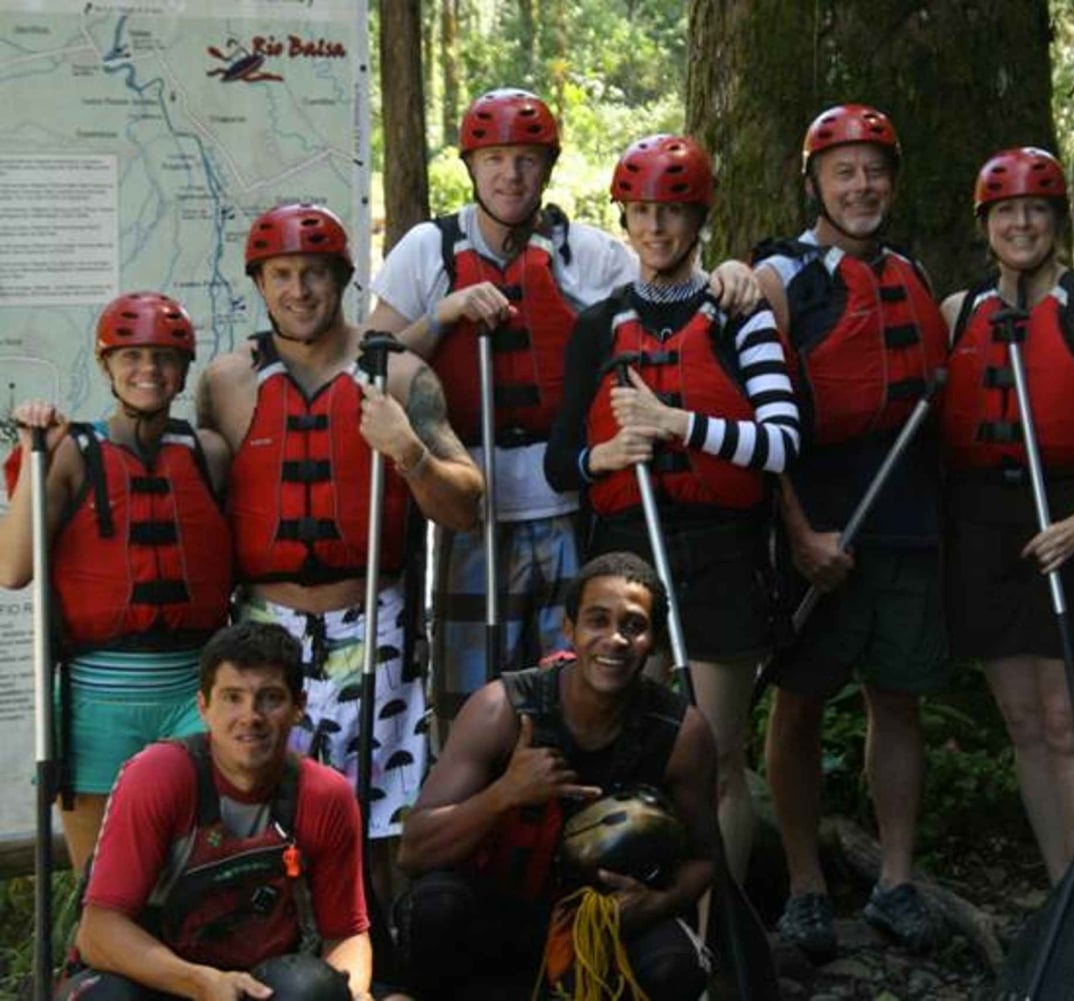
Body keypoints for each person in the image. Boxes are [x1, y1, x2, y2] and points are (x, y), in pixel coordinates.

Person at [365, 89, 759, 723]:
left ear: (547, 167)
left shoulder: (594, 255)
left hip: (569, 511)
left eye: (525, 159)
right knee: (469, 696)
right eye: (494, 158)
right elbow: (373, 363)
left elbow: (674, 293)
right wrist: (445, 313)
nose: (509, 175)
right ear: (471, 165)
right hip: (472, 506)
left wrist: (734, 271)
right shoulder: (428, 250)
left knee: (572, 694)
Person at [542, 133, 799, 882]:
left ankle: (717, 934)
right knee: (626, 751)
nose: (656, 229)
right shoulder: (599, 326)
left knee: (716, 756)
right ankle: (627, 923)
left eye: (673, 212)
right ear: (624, 220)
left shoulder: (739, 316)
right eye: (642, 212)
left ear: (699, 218)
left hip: (721, 557)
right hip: (626, 558)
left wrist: (675, 424)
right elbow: (563, 463)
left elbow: (782, 445)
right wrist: (606, 458)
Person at [197, 202, 482, 844]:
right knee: (264, 824)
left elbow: (468, 503)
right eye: (282, 274)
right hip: (263, 637)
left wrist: (408, 451)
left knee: (379, 831)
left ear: (344, 277)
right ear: (260, 282)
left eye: (315, 274)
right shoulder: (225, 383)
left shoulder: (402, 375)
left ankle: (375, 942)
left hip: (375, 628)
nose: (298, 291)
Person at [753, 103, 949, 957]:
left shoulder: (911, 274)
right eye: (845, 171)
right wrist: (798, 534)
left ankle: (896, 879)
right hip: (817, 527)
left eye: (875, 170)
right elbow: (759, 423)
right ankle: (803, 887)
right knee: (796, 707)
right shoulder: (777, 278)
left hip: (904, 521)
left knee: (895, 699)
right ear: (815, 183)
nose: (862, 185)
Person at [939, 147, 1074, 884]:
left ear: (1056, 219)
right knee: (1026, 724)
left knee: (1070, 720)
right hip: (989, 525)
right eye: (1006, 212)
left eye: (1035, 209)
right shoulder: (959, 312)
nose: (1021, 223)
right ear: (986, 224)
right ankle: (1066, 885)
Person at [396, 552, 717, 1000]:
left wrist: (658, 903)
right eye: (597, 621)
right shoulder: (501, 709)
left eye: (634, 626)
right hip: (503, 911)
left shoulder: (680, 732)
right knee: (434, 907)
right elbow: (413, 851)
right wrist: (505, 793)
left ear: (655, 641)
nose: (615, 640)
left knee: (674, 966)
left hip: (606, 922)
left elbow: (704, 859)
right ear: (569, 629)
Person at [0, 292, 232, 871]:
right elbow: (13, 569)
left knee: (189, 877)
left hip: (191, 697)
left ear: (184, 370)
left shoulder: (208, 453)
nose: (147, 371)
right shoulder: (73, 452)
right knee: (104, 884)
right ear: (106, 366)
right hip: (96, 702)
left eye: (163, 357)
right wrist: (36, 455)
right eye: (131, 357)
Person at [56, 621, 374, 1001]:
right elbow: (98, 931)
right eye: (232, 697)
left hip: (265, 984)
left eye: (270, 698)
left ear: (299, 708)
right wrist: (201, 983)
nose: (251, 716)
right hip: (158, 977)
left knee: (313, 990)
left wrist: (353, 994)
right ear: (203, 707)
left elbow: (347, 934)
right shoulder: (159, 777)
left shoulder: (325, 795)